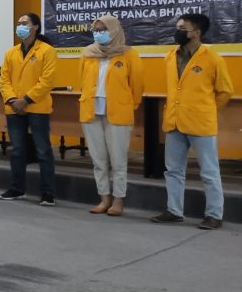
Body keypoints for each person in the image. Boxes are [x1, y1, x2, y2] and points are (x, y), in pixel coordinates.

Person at [151, 13, 234, 229]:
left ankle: (214, 215)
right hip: (174, 121)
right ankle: (174, 210)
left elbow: (225, 91)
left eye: (182, 28)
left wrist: (206, 110)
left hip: (201, 124)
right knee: (173, 170)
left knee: (209, 171)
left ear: (196, 32)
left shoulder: (213, 58)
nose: (177, 31)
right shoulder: (170, 56)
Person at [78, 15, 143, 217]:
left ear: (114, 30)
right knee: (98, 160)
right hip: (91, 112)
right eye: (96, 30)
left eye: (103, 29)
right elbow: (82, 81)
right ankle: (104, 199)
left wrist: (127, 106)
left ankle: (118, 200)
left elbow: (137, 87)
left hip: (119, 114)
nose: (98, 33)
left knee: (118, 161)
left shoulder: (129, 54)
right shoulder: (88, 53)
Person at [0, 12, 58, 205]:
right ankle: (17, 188)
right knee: (17, 150)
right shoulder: (11, 52)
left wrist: (25, 100)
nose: (20, 26)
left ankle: (47, 193)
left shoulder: (47, 50)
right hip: (14, 108)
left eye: (24, 23)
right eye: (19, 23)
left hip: (37, 107)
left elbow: (47, 81)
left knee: (43, 151)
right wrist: (12, 100)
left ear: (36, 27)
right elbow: (4, 80)